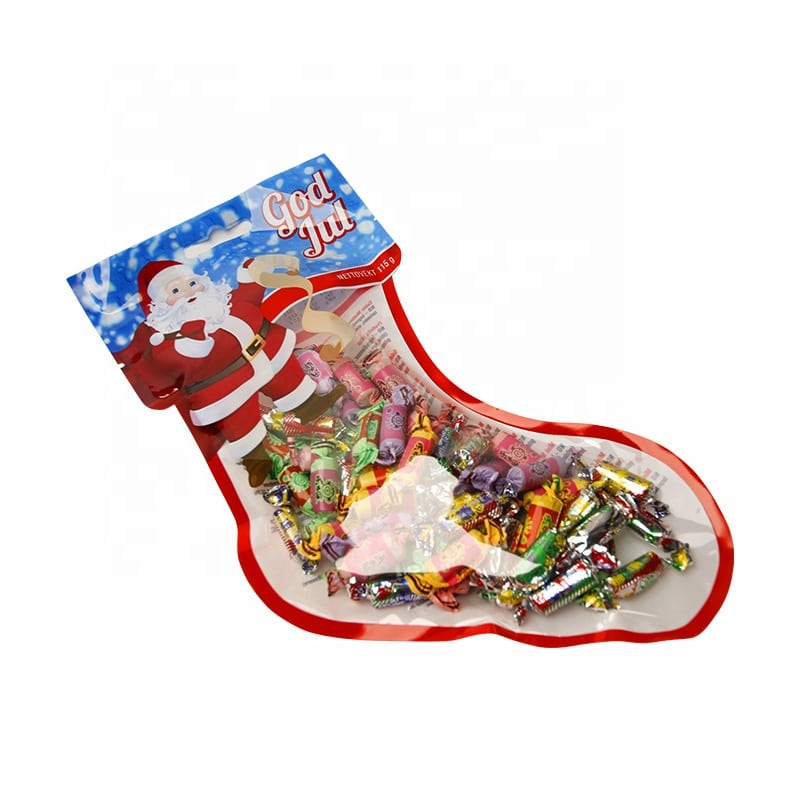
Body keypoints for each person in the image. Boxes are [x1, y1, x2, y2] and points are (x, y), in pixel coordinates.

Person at [116, 254, 347, 487]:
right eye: (175, 291)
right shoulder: (167, 340)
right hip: (226, 387)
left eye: (192, 283)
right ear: (160, 308)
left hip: (269, 354)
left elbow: (250, 294)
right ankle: (257, 460)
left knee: (290, 383)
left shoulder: (224, 304)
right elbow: (179, 360)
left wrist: (251, 273)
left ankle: (308, 406)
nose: (189, 292)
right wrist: (194, 338)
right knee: (241, 424)